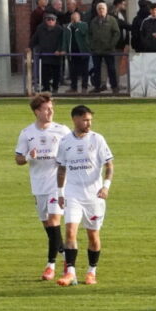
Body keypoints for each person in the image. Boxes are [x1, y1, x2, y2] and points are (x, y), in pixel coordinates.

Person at [55, 105, 115, 286]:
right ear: (75, 119)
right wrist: (60, 192)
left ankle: (91, 271)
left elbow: (109, 165)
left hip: (94, 195)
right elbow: (61, 168)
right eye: (85, 120)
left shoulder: (97, 140)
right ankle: (70, 272)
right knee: (70, 231)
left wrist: (106, 186)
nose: (88, 123)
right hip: (73, 193)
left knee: (93, 236)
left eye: (90, 120)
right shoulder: (65, 141)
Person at [15, 93, 71, 281]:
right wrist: (30, 156)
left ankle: (50, 265)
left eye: (51, 108)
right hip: (38, 185)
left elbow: (72, 150)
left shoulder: (62, 131)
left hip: (58, 183)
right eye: (47, 109)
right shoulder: (27, 133)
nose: (50, 112)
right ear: (37, 111)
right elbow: (18, 159)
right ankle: (66, 257)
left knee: (54, 221)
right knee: (48, 226)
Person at [89, 1, 121, 93]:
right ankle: (97, 87)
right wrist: (92, 45)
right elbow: (90, 34)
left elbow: (116, 33)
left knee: (111, 69)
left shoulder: (112, 20)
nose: (101, 10)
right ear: (97, 11)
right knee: (96, 69)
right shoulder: (93, 21)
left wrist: (111, 44)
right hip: (96, 50)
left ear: (106, 10)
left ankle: (114, 87)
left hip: (109, 50)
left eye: (103, 9)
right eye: (99, 9)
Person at [31, 12, 64, 93]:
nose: (50, 21)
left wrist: (59, 50)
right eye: (48, 19)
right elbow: (34, 39)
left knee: (56, 73)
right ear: (45, 20)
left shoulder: (60, 29)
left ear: (55, 21)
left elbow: (62, 41)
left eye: (53, 19)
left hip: (56, 56)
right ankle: (46, 88)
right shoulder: (40, 28)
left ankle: (55, 88)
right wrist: (31, 48)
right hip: (45, 55)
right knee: (45, 74)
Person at [63, 9, 90, 92]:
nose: (74, 20)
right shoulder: (67, 27)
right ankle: (73, 87)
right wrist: (64, 49)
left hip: (83, 51)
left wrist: (77, 23)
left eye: (76, 18)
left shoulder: (84, 25)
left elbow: (83, 32)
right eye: (73, 18)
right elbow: (65, 40)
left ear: (79, 18)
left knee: (84, 71)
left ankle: (84, 87)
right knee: (73, 71)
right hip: (72, 52)